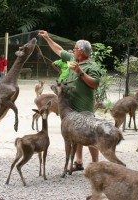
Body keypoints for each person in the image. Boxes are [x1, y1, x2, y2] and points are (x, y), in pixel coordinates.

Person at [38, 30, 101, 171]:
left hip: (84, 107)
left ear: (83, 52)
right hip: (70, 107)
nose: (73, 50)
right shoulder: (73, 60)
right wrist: (48, 38)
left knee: (90, 135)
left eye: (76, 48)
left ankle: (96, 165)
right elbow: (59, 50)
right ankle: (78, 162)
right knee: (74, 134)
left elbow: (95, 84)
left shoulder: (92, 67)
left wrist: (80, 72)